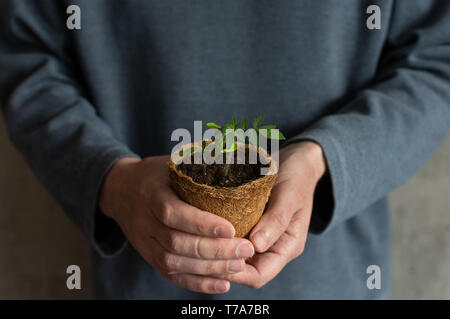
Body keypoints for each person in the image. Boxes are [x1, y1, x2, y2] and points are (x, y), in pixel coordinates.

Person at [0, 0, 449, 299]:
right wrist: (113, 180)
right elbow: (26, 61)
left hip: (333, 279)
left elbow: (436, 59)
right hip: (140, 282)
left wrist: (322, 160)